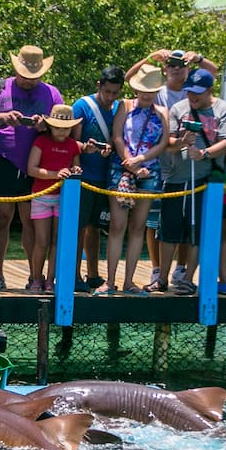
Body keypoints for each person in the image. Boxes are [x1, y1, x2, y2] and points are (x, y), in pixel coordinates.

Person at [127, 47, 220, 284]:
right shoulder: (159, 91)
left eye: (181, 65)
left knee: (185, 220)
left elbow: (213, 72)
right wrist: (151, 57)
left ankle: (181, 267)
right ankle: (157, 269)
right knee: (153, 220)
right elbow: (130, 79)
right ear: (165, 68)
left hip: (186, 165)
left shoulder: (194, 89)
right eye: (171, 65)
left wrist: (198, 58)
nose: (176, 69)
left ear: (187, 68)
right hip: (159, 162)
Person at [148, 68, 226, 296]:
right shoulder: (178, 109)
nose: (192, 97)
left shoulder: (224, 110)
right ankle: (162, 278)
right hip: (176, 179)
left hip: (204, 181)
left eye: (197, 93)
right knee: (168, 231)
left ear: (209, 90)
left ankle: (188, 279)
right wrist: (180, 143)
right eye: (189, 92)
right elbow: (166, 140)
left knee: (197, 231)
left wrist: (205, 153)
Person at [0, 45, 63, 290]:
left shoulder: (52, 94)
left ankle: (34, 276)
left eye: (33, 77)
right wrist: (5, 117)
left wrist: (45, 125)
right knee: (0, 219)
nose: (28, 81)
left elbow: (63, 128)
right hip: (4, 160)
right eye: (24, 76)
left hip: (36, 164)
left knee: (31, 221)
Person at [106, 63, 168, 295]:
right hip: (122, 169)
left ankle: (129, 281)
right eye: (143, 89)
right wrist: (131, 163)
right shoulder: (124, 106)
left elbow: (163, 143)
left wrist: (142, 159)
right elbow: (117, 136)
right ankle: (110, 281)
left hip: (150, 171)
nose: (146, 94)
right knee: (117, 226)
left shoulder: (162, 112)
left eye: (151, 90)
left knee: (138, 227)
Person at [70, 66, 125, 292]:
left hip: (105, 178)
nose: (110, 97)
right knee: (78, 227)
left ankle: (93, 274)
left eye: (115, 93)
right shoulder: (82, 106)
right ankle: (73, 274)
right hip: (83, 177)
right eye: (107, 91)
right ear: (98, 85)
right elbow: (70, 142)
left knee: (96, 227)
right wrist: (85, 149)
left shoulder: (118, 109)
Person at [25, 104, 81, 292]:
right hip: (41, 197)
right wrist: (56, 174)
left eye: (66, 128)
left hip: (62, 199)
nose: (62, 131)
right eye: (58, 127)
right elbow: (31, 169)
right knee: (41, 241)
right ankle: (36, 278)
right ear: (50, 125)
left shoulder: (73, 145)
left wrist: (75, 171)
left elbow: (75, 167)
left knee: (57, 240)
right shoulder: (41, 141)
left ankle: (50, 280)